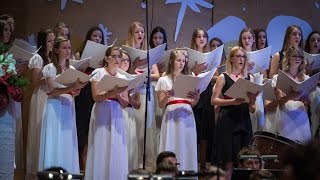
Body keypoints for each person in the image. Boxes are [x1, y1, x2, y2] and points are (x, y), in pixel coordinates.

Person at [38, 37, 86, 173]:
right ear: (57, 50)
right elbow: (53, 90)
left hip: (68, 107)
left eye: (69, 48)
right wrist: (71, 88)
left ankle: (67, 172)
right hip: (54, 108)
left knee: (66, 142)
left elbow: (73, 92)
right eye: (64, 48)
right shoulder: (50, 68)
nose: (67, 50)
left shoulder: (71, 68)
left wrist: (77, 89)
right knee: (55, 141)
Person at [84, 46, 129, 180]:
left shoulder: (122, 76)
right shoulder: (99, 73)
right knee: (101, 143)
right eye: (113, 56)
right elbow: (96, 96)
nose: (117, 59)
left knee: (115, 144)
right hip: (102, 110)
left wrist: (118, 96)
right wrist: (112, 93)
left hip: (116, 112)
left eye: (119, 57)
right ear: (106, 59)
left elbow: (125, 103)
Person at [211, 46, 256, 169]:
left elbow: (252, 109)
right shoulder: (223, 77)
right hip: (227, 119)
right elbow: (213, 100)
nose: (241, 59)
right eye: (238, 56)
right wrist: (233, 101)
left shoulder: (249, 78)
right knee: (228, 158)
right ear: (231, 59)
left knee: (244, 157)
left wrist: (252, 101)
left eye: (243, 56)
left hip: (243, 119)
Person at [155, 49, 199, 172]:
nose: (181, 63)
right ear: (171, 61)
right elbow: (161, 104)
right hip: (172, 115)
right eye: (178, 60)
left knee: (187, 145)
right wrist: (168, 95)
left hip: (187, 114)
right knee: (172, 144)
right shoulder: (163, 80)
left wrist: (196, 99)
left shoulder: (190, 78)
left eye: (183, 61)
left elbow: (192, 103)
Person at [124, 21, 160, 168]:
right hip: (132, 94)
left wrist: (146, 76)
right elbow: (123, 73)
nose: (140, 35)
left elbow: (157, 74)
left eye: (142, 32)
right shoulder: (126, 52)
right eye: (137, 32)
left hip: (147, 93)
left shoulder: (148, 53)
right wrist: (135, 67)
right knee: (134, 127)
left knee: (147, 129)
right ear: (131, 34)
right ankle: (134, 162)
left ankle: (148, 163)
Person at [264, 46, 311, 144]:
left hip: (301, 115)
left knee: (301, 148)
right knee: (284, 146)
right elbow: (279, 101)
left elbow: (307, 101)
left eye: (300, 57)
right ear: (288, 58)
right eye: (294, 56)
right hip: (285, 115)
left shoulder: (306, 78)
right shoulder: (278, 78)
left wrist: (305, 99)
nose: (298, 58)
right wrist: (290, 96)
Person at [73, 26, 104, 170]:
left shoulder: (104, 56)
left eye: (99, 37)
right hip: (84, 94)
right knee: (82, 130)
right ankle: (80, 166)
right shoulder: (80, 54)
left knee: (94, 131)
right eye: (94, 36)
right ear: (89, 38)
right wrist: (82, 66)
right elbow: (74, 74)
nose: (97, 39)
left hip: (96, 92)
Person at [25, 28, 55, 180]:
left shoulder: (53, 59)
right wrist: (50, 77)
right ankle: (35, 172)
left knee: (48, 134)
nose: (52, 44)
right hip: (41, 97)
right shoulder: (38, 58)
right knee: (38, 132)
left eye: (54, 41)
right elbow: (36, 81)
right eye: (49, 41)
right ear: (43, 42)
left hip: (51, 97)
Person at [190, 27, 214, 170]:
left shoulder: (211, 56)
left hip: (207, 92)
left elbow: (217, 76)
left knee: (205, 131)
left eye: (204, 36)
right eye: (198, 36)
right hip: (194, 91)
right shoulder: (189, 55)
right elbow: (186, 73)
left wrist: (209, 73)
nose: (201, 38)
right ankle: (192, 162)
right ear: (194, 39)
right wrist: (195, 71)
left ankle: (203, 165)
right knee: (194, 129)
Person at [119, 50, 140, 171]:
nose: (125, 62)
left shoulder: (134, 79)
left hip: (130, 114)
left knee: (130, 145)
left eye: (127, 60)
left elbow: (138, 105)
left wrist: (130, 98)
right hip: (118, 112)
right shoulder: (115, 77)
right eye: (123, 59)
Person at [304, 31, 320, 138]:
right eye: (313, 40)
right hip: (308, 90)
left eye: (319, 40)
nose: (316, 42)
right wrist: (307, 71)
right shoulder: (302, 57)